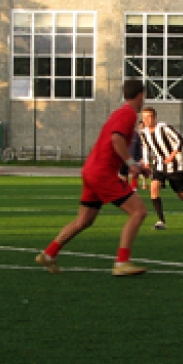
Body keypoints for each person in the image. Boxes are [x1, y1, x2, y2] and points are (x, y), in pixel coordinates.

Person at [36, 79, 150, 276]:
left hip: (91, 170)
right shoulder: (128, 114)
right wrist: (132, 165)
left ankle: (49, 254)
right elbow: (116, 139)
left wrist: (136, 166)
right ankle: (122, 262)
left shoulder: (120, 113)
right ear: (140, 95)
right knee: (138, 212)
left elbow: (113, 141)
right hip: (102, 172)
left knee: (84, 220)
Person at [139, 107, 183, 229]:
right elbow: (145, 147)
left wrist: (172, 155)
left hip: (174, 164)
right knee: (154, 188)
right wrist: (146, 162)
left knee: (180, 193)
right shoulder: (144, 133)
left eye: (149, 117)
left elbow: (181, 140)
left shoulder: (164, 128)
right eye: (144, 117)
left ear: (155, 118)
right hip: (159, 165)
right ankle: (161, 221)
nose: (146, 120)